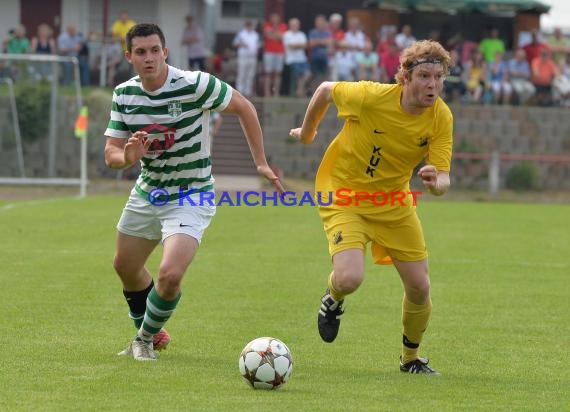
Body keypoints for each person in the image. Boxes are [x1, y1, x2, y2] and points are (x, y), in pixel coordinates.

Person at [104, 23, 284, 361]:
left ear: (165, 51)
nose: (149, 58)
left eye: (155, 50)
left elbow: (244, 106)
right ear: (129, 56)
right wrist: (126, 157)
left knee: (170, 275)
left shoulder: (194, 84)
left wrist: (260, 162)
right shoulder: (124, 94)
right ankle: (153, 330)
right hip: (148, 191)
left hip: (192, 194)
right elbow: (112, 153)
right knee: (125, 266)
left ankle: (142, 339)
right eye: (140, 52)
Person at [289, 40, 453, 375]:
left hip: (393, 203)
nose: (432, 84)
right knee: (349, 278)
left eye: (438, 76)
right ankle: (332, 297)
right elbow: (323, 90)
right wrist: (308, 133)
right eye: (424, 75)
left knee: (420, 287)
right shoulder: (370, 96)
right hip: (344, 195)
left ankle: (410, 359)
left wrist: (436, 185)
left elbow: (444, 179)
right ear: (404, 77)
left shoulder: (441, 117)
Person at [262, 12, 287, 96]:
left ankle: (276, 92)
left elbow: (281, 37)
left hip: (280, 52)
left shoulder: (283, 26)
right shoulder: (266, 25)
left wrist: (272, 34)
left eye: (276, 18)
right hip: (268, 52)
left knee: (278, 73)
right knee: (268, 73)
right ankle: (267, 92)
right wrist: (276, 35)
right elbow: (268, 34)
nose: (275, 19)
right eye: (273, 17)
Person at [232, 20, 260, 97]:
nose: (249, 27)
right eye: (248, 26)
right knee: (242, 73)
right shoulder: (241, 34)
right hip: (243, 56)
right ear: (245, 26)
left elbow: (257, 45)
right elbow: (235, 43)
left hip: (252, 56)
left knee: (250, 74)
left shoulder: (255, 35)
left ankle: (248, 91)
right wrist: (242, 44)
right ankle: (240, 91)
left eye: (250, 26)